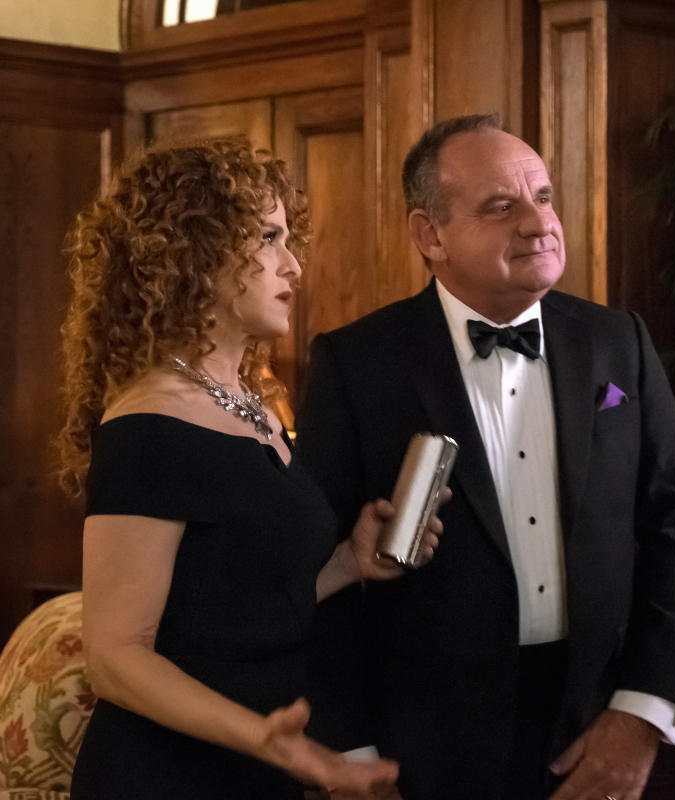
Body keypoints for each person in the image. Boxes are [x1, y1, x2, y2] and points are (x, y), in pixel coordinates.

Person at [295, 113, 675, 800]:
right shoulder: (357, 364)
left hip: (595, 728)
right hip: (422, 752)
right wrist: (352, 758)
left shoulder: (618, 342)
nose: (538, 223)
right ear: (430, 235)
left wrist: (643, 715)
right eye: (500, 206)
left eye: (543, 196)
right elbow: (318, 576)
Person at [59, 140, 442, 799]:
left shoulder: (254, 405)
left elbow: (236, 607)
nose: (293, 264)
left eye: (289, 239)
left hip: (258, 768)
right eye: (268, 238)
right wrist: (263, 737)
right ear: (194, 252)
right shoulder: (147, 423)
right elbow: (115, 656)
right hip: (166, 777)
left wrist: (347, 564)